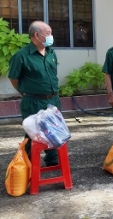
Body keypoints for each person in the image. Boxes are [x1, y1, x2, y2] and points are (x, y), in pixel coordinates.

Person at [8, 21, 60, 167]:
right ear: (37, 35)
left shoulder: (51, 52)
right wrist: (25, 92)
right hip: (33, 101)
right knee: (33, 133)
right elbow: (13, 78)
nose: (51, 36)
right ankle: (24, 163)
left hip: (53, 99)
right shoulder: (21, 56)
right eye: (48, 33)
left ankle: (52, 159)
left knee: (53, 131)